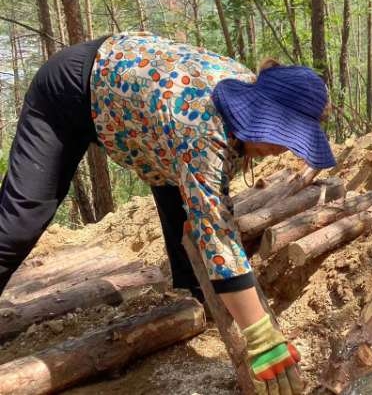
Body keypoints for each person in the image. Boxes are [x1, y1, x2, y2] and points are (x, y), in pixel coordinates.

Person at [0, 32, 334, 394]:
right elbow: (217, 232)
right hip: (69, 91)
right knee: (20, 221)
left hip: (144, 116)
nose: (281, 149)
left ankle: (196, 297)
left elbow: (208, 202)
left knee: (193, 204)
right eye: (280, 137)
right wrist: (259, 335)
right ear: (259, 115)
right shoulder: (202, 127)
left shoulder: (240, 100)